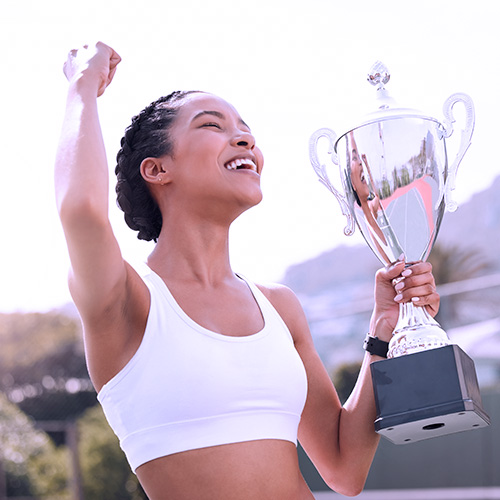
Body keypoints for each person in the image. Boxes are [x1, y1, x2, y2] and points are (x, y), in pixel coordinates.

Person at [55, 42, 440, 500]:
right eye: (212, 126)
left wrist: (384, 333)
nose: (244, 140)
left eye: (246, 131)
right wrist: (83, 84)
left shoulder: (279, 307)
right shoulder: (126, 300)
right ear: (157, 169)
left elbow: (344, 468)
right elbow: (81, 210)